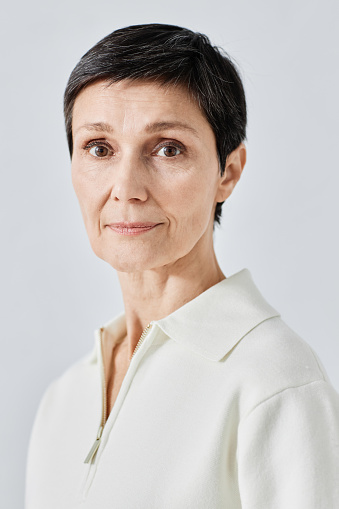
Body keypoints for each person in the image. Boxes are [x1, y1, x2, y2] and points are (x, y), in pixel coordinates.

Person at [25, 23, 339, 509]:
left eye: (168, 148)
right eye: (99, 148)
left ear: (227, 173)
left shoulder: (275, 384)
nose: (126, 187)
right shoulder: (62, 401)